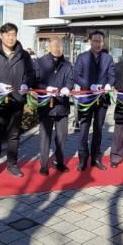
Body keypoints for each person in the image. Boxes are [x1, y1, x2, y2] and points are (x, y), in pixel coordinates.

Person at [0, 23, 35, 179]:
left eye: (14, 34)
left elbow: (30, 73)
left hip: (17, 99)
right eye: (8, 34)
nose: (11, 38)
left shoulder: (23, 55)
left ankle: (12, 164)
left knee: (14, 134)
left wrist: (26, 84)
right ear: (1, 35)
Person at [73, 31, 115, 171]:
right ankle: (83, 158)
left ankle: (96, 157)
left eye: (100, 41)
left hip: (102, 98)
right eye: (95, 41)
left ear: (103, 42)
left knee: (98, 129)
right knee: (84, 128)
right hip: (86, 97)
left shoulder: (108, 58)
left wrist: (109, 84)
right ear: (90, 41)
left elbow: (112, 75)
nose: (98, 44)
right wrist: (89, 85)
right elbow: (76, 75)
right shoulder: (82, 57)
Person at [35, 37, 73, 175]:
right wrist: (46, 88)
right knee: (45, 137)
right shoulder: (40, 63)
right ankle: (44, 165)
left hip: (62, 106)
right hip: (46, 106)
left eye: (60, 46)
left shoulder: (67, 65)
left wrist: (67, 88)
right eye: (54, 45)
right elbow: (35, 81)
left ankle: (60, 162)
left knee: (62, 136)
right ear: (49, 47)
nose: (57, 48)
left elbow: (70, 80)